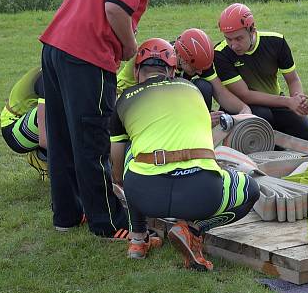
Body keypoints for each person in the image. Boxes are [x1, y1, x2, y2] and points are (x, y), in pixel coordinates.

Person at [39, 0, 188, 238]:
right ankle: (107, 222)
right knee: (92, 141)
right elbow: (115, 8)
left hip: (55, 48)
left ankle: (67, 215)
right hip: (86, 56)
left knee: (63, 137)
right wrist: (130, 46)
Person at [110, 38, 259, 267]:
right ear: (171, 70)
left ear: (138, 70)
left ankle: (138, 240)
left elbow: (116, 156)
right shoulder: (194, 90)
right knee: (250, 189)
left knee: (134, 155)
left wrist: (120, 182)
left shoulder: (124, 100)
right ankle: (192, 229)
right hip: (201, 195)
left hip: (146, 194)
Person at [213, 3, 308, 142]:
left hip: (275, 101)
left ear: (252, 30)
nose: (233, 45)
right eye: (228, 39)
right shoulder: (220, 53)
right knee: (264, 117)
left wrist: (298, 100)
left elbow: (292, 79)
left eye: (239, 38)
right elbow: (245, 95)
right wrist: (288, 101)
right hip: (242, 107)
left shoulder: (276, 42)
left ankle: (277, 148)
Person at [116, 27, 251, 125]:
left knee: (203, 86)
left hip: (167, 100)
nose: (199, 72)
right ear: (180, 57)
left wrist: (244, 110)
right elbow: (160, 105)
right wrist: (200, 118)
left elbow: (221, 93)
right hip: (133, 100)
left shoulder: (198, 62)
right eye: (195, 68)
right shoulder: (156, 61)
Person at [0, 66, 48, 181]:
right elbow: (44, 138)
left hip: (29, 120)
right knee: (58, 110)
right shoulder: (48, 78)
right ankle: (41, 157)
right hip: (13, 127)